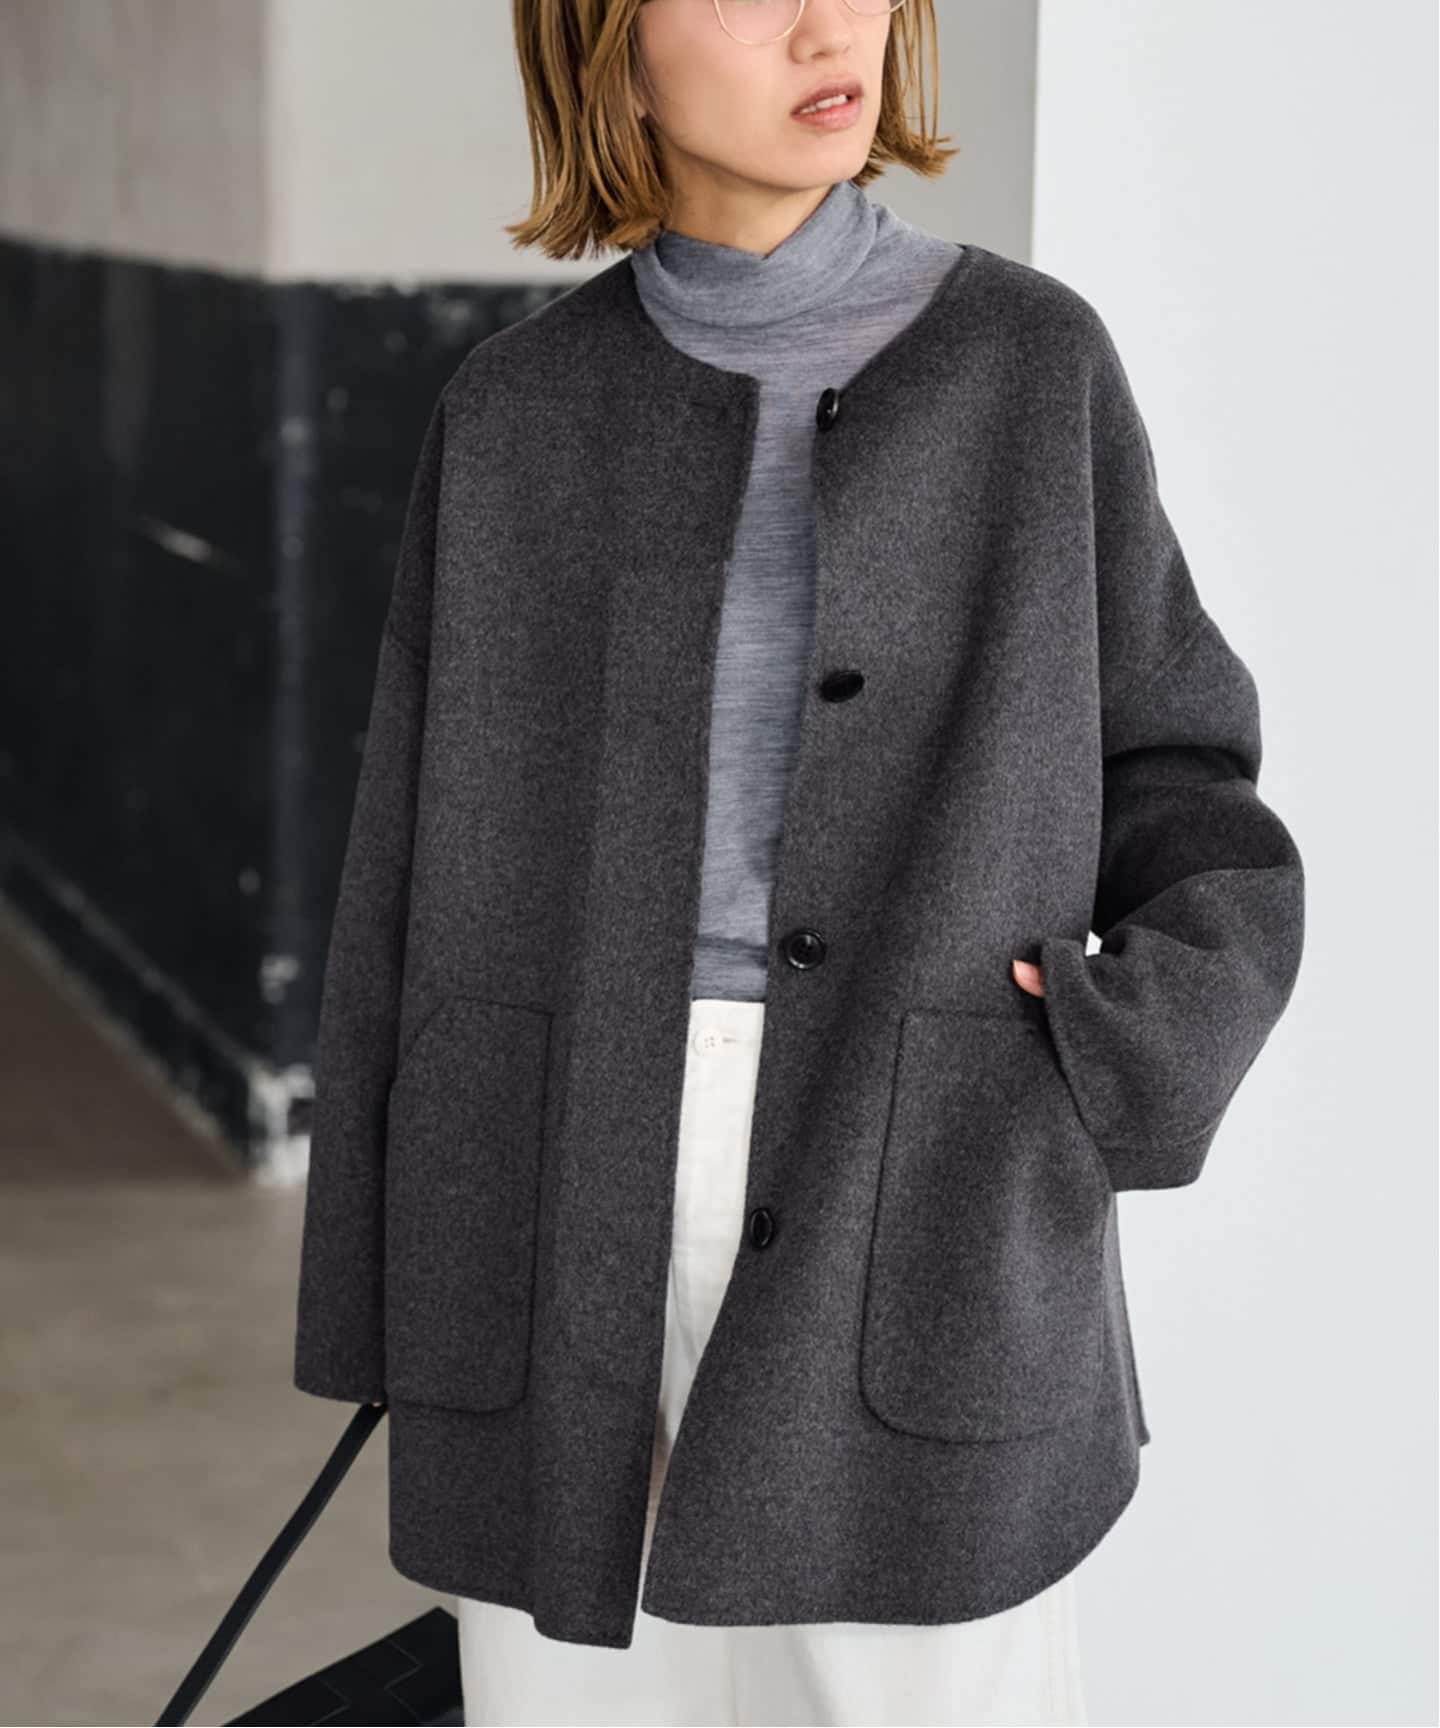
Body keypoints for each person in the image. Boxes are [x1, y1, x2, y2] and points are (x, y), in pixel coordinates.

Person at [294, 0, 1305, 1721]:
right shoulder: (515, 412)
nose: (831, 26)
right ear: (608, 50)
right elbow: (402, 860)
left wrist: (1104, 1055)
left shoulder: (1029, 366)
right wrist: (379, 1285)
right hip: (545, 1178)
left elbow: (1186, 774)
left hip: (920, 1165)